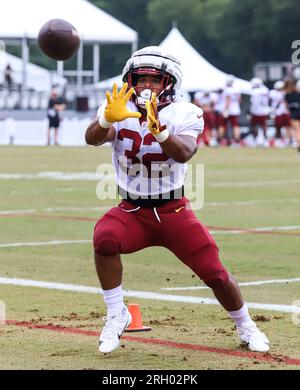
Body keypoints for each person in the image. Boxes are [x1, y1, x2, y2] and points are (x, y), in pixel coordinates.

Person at [85, 46, 269, 354]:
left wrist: (160, 132)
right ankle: (116, 313)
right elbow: (92, 138)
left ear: (170, 83)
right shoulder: (118, 106)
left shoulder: (186, 112)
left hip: (173, 210)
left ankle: (246, 324)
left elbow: (184, 152)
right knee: (104, 237)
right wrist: (105, 120)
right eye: (140, 79)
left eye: (153, 81)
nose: (145, 86)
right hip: (131, 209)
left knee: (215, 273)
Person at [218, 76, 241, 146]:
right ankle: (237, 142)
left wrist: (226, 110)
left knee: (222, 125)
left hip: (227, 110)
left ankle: (219, 141)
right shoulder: (237, 90)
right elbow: (239, 100)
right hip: (235, 110)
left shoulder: (226, 90)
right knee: (235, 126)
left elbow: (228, 100)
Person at [269, 80, 292, 148]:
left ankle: (287, 140)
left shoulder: (274, 93)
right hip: (281, 112)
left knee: (283, 127)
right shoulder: (281, 93)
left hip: (280, 112)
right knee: (284, 127)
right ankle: (286, 140)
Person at [285, 79, 300, 153]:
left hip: (294, 114)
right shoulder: (298, 93)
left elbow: (286, 106)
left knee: (297, 130)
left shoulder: (287, 95)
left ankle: (299, 145)